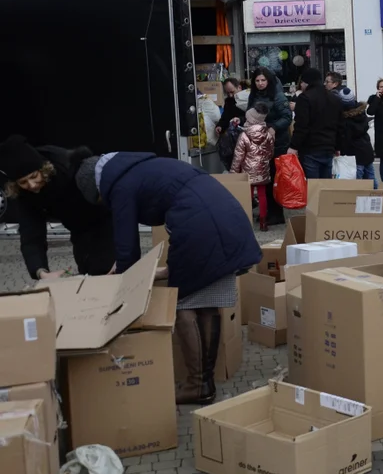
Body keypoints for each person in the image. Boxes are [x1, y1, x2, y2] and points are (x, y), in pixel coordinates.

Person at [73, 152, 261, 405]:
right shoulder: (138, 166)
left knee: (183, 303)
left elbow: (127, 248)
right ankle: (204, 383)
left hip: (200, 225)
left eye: (99, 199)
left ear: (97, 187)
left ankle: (198, 385)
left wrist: (123, 285)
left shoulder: (118, 185)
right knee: (206, 301)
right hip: (225, 217)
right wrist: (157, 271)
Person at [0, 136, 114, 279]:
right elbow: (31, 236)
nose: (32, 185)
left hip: (105, 218)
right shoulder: (25, 195)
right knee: (89, 273)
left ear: (43, 168)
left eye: (34, 176)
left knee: (109, 269)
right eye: (23, 182)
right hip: (78, 229)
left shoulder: (69, 166)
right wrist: (41, 272)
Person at [248, 67, 292, 224]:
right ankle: (267, 211)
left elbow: (287, 116)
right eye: (257, 81)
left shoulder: (278, 96)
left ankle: (276, 213)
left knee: (274, 178)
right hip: (259, 142)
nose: (260, 83)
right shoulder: (253, 96)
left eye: (263, 80)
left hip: (277, 143)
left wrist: (274, 127)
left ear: (269, 81)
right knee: (263, 179)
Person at [230, 102, 276, 231]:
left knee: (248, 195)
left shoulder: (244, 135)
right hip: (263, 169)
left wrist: (233, 172)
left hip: (248, 170)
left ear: (251, 119)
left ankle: (246, 221)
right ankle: (263, 221)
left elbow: (238, 156)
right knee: (262, 195)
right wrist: (264, 161)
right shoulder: (268, 134)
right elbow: (270, 153)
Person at [288, 68, 341, 180]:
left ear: (307, 82)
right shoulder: (333, 98)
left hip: (311, 148)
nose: (301, 85)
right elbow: (339, 124)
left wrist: (294, 146)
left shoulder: (305, 98)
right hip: (328, 147)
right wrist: (338, 146)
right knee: (325, 186)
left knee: (312, 187)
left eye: (302, 82)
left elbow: (301, 125)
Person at [338, 88, 377, 185]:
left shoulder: (345, 120)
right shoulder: (362, 114)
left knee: (357, 181)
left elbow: (346, 138)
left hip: (353, 154)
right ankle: (377, 196)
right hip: (366, 150)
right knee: (371, 178)